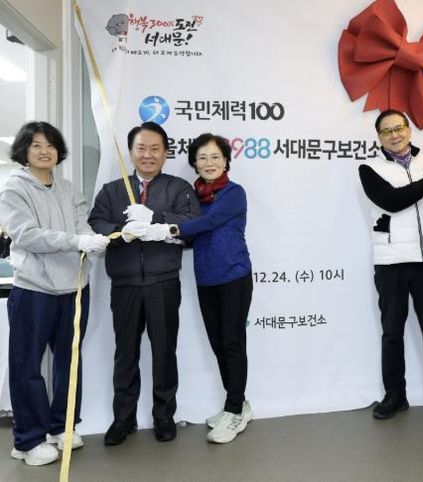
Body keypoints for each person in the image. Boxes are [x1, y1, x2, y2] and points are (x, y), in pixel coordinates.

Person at [0, 122, 109, 465]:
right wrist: (78, 241)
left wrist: (92, 241)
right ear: (24, 151)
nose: (44, 151)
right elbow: (27, 235)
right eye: (36, 145)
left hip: (74, 287)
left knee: (69, 361)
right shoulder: (14, 189)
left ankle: (62, 426)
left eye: (50, 145)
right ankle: (27, 440)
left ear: (58, 151)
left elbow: (82, 226)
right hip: (34, 289)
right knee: (27, 365)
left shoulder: (68, 188)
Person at [88, 121, 201, 445]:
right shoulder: (112, 190)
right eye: (141, 148)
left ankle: (164, 416)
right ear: (131, 152)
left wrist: (157, 219)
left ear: (165, 153)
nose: (148, 155)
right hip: (124, 284)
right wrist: (121, 232)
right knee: (125, 353)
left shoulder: (179, 188)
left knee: (164, 351)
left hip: (163, 283)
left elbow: (194, 223)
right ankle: (123, 419)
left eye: (155, 149)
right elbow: (96, 221)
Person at [358, 109, 423, 424]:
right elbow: (391, 201)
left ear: (409, 130)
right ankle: (395, 395)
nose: (394, 135)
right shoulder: (369, 168)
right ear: (379, 137)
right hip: (391, 262)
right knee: (392, 332)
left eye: (399, 128)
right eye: (386, 131)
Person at [169, 133, 253, 444]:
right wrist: (167, 235)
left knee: (232, 343)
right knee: (218, 344)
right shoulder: (193, 197)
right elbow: (191, 236)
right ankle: (238, 404)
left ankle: (234, 410)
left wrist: (171, 228)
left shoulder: (234, 193)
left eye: (215, 156)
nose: (209, 163)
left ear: (226, 160)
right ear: (194, 163)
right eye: (202, 158)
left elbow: (209, 222)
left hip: (234, 276)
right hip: (205, 278)